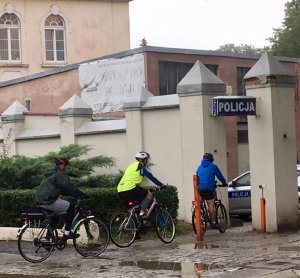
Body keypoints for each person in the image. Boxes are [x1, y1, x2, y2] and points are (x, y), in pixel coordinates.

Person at [35, 157, 86, 240]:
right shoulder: (60, 174)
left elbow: (59, 188)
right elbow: (69, 187)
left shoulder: (51, 173)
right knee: (71, 207)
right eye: (66, 166)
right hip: (48, 201)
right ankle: (67, 233)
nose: (66, 168)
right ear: (62, 165)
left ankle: (49, 236)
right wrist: (80, 194)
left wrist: (68, 193)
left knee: (56, 215)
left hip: (41, 200)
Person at [117, 151, 164, 218]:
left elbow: (131, 178)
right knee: (149, 195)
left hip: (120, 190)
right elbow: (151, 177)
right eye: (146, 159)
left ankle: (133, 225)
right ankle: (143, 211)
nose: (147, 161)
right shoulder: (141, 167)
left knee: (131, 211)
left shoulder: (132, 165)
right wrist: (161, 185)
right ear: (142, 160)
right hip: (130, 188)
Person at [196, 153, 227, 229]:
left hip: (200, 188)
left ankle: (200, 218)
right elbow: (220, 176)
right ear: (211, 160)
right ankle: (213, 223)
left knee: (200, 204)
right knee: (210, 205)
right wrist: (224, 183)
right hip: (209, 189)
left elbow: (197, 176)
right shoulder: (213, 166)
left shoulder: (199, 167)